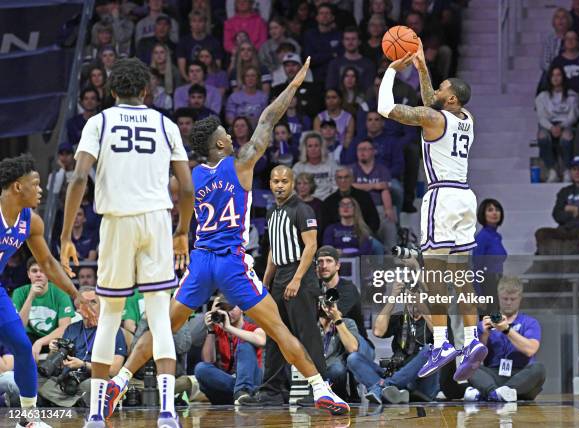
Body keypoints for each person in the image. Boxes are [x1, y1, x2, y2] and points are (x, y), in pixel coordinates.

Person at [103, 58, 349, 417]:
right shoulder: (244, 162)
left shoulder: (186, 178)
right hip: (232, 263)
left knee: (162, 327)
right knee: (279, 329)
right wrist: (292, 86)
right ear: (218, 142)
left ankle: (120, 380)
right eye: (226, 134)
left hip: (201, 261)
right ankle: (320, 388)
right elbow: (267, 119)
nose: (233, 137)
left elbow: (155, 192)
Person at [60, 58, 194, 428]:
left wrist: (66, 235)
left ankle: (95, 416)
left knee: (111, 316)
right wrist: (182, 231)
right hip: (156, 221)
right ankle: (168, 412)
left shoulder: (98, 123)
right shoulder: (166, 125)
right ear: (146, 91)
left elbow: (78, 179)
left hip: (117, 222)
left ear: (111, 91)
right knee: (159, 318)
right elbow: (186, 186)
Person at [378, 40, 485, 382]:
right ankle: (470, 341)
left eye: (443, 88)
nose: (437, 90)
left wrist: (393, 70)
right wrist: (423, 67)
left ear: (451, 98)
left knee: (434, 274)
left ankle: (441, 343)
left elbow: (386, 109)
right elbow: (431, 103)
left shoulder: (432, 118)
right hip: (467, 198)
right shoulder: (466, 117)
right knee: (462, 276)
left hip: (441, 197)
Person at [0, 154, 89, 428]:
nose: (41, 190)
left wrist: (75, 296)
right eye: (35, 184)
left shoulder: (31, 221)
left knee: (23, 347)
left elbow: (48, 263)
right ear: (18, 187)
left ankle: (28, 418)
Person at [241, 165, 330, 408]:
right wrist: (266, 280)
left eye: (284, 181)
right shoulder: (272, 212)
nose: (280, 185)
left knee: (307, 334)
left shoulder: (303, 209)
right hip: (280, 276)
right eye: (275, 181)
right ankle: (272, 392)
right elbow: (273, 249)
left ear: (292, 184)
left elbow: (311, 246)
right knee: (274, 334)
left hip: (299, 276)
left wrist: (298, 278)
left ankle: (320, 390)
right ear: (270, 183)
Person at [348, 281, 439, 404]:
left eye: (418, 295)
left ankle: (382, 388)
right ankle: (390, 391)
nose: (413, 299)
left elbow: (440, 336)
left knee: (430, 350)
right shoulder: (400, 318)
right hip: (396, 374)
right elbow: (378, 332)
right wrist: (393, 297)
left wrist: (421, 306)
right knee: (354, 358)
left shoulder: (438, 318)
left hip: (422, 381)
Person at [38, 287, 128, 408]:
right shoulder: (71, 329)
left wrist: (83, 365)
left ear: (102, 307)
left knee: (90, 386)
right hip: (69, 379)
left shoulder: (112, 329)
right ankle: (77, 402)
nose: (89, 306)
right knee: (41, 385)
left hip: (94, 377)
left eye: (93, 302)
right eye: (84, 302)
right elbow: (56, 366)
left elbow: (114, 369)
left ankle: (68, 402)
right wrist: (53, 351)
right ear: (78, 308)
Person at [464, 277, 546, 402]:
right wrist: (484, 335)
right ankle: (496, 393)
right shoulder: (487, 323)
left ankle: (489, 392)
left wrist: (507, 330)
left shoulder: (530, 322)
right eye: (505, 298)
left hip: (520, 376)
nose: (508, 302)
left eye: (512, 299)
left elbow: (530, 350)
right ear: (498, 296)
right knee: (467, 365)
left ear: (520, 299)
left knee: (539, 369)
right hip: (494, 373)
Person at [194, 295, 265, 405]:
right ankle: (242, 394)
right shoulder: (218, 329)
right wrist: (211, 330)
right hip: (227, 383)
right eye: (223, 309)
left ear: (241, 308)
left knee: (245, 345)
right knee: (200, 368)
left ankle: (244, 390)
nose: (227, 312)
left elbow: (261, 340)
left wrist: (229, 328)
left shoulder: (251, 327)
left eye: (231, 308)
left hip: (252, 379)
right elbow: (208, 361)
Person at [11, 258, 75, 361]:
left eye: (42, 271)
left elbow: (65, 327)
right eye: (34, 271)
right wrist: (31, 297)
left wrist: (40, 342)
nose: (38, 274)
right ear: (28, 274)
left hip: (53, 337)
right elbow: (19, 327)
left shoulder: (60, 292)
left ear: (48, 274)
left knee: (61, 345)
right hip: (29, 337)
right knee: (16, 340)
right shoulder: (19, 293)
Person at [316, 245, 374, 359]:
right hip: (333, 340)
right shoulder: (314, 287)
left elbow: (332, 314)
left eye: (329, 261)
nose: (324, 265)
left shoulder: (348, 288)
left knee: (352, 358)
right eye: (320, 262)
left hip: (357, 340)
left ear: (337, 265)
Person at [535, 156, 579, 255]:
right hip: (564, 229)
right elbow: (556, 214)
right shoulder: (564, 191)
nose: (576, 173)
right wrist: (577, 212)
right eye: (574, 169)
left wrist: (572, 209)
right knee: (541, 233)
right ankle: (545, 265)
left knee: (575, 240)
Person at [535, 66, 579, 183]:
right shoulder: (542, 96)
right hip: (548, 125)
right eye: (553, 75)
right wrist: (551, 127)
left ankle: (567, 170)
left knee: (567, 137)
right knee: (542, 136)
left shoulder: (572, 95)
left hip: (566, 124)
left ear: (563, 77)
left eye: (558, 75)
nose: (555, 78)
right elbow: (541, 117)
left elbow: (573, 116)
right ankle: (552, 170)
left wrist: (561, 126)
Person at [351, 138, 397, 249]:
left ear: (373, 151)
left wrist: (388, 209)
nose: (362, 152)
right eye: (360, 149)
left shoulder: (381, 169)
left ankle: (391, 258)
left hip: (379, 207)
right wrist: (374, 186)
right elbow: (349, 186)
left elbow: (385, 189)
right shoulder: (351, 169)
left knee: (389, 221)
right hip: (359, 209)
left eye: (366, 149)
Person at [316, 298, 360, 400]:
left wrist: (337, 320)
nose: (327, 307)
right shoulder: (310, 323)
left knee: (337, 370)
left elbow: (353, 348)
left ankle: (339, 399)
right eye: (324, 303)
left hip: (334, 368)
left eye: (330, 303)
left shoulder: (348, 323)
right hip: (313, 367)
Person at [321, 166, 379, 234]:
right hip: (337, 238)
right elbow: (325, 226)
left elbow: (374, 221)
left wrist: (365, 233)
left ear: (352, 179)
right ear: (336, 181)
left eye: (346, 177)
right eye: (340, 178)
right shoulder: (329, 201)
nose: (343, 180)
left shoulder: (364, 196)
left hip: (363, 234)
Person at [540, 7, 579, 80]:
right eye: (557, 17)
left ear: (569, 21)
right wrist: (557, 73)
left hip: (576, 70)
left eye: (563, 17)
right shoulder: (549, 39)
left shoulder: (578, 35)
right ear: (554, 22)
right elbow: (544, 62)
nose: (560, 20)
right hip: (554, 73)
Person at [177, 10, 223, 81]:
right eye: (194, 21)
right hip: (189, 80)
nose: (197, 24)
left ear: (205, 23)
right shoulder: (183, 42)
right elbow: (182, 69)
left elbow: (217, 67)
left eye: (200, 21)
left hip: (210, 80)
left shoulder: (214, 42)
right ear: (190, 23)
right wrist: (189, 80)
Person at [326, 26, 376, 92]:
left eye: (353, 39)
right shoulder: (334, 63)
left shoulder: (368, 64)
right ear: (343, 42)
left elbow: (369, 90)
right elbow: (330, 88)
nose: (350, 42)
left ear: (359, 42)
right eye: (347, 39)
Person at [293, 131, 339, 201]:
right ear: (305, 149)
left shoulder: (331, 165)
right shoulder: (298, 167)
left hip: (326, 202)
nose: (313, 149)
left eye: (316, 145)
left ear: (321, 148)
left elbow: (336, 188)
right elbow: (291, 188)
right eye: (310, 146)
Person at [303, 3, 343, 82]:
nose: (324, 16)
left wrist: (320, 55)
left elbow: (341, 56)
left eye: (327, 13)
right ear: (316, 17)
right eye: (321, 13)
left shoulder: (339, 35)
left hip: (336, 76)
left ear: (332, 17)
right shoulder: (309, 35)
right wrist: (331, 55)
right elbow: (309, 60)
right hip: (315, 78)